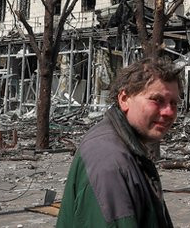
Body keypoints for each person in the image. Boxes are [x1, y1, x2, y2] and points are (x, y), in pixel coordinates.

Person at [56, 56, 181, 228]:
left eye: (174, 103)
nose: (169, 112)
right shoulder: (110, 163)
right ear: (124, 99)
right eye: (157, 100)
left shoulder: (127, 147)